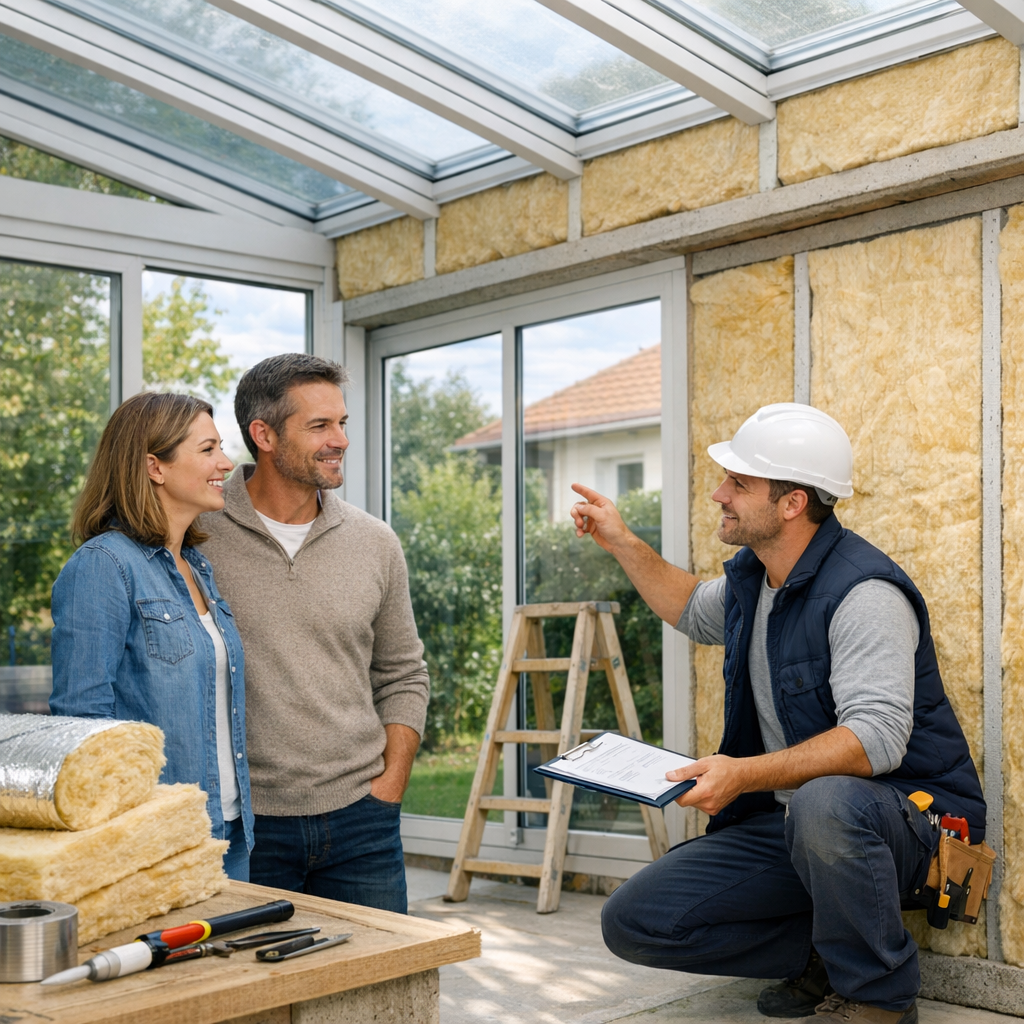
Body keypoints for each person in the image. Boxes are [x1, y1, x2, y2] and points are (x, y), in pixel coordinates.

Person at [570, 403, 985, 1024]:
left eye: (739, 483)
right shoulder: (752, 579)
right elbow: (688, 607)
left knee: (824, 802)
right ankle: (825, 954)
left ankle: (879, 998)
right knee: (635, 921)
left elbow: (876, 741)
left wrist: (743, 774)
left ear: (792, 503)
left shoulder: (864, 593)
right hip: (800, 826)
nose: (720, 494)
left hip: (910, 823)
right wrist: (622, 542)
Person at [198, 353, 428, 913]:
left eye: (342, 423)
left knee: (375, 994)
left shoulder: (375, 542)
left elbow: (403, 672)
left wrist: (390, 784)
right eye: (320, 426)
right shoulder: (197, 532)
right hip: (244, 827)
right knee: (254, 996)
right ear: (264, 435)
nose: (340, 440)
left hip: (361, 824)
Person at [50, 392, 254, 881]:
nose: (225, 463)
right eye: (207, 450)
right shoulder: (104, 566)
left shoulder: (197, 567)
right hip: (154, 842)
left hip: (228, 830)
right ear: (154, 467)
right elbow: (84, 729)